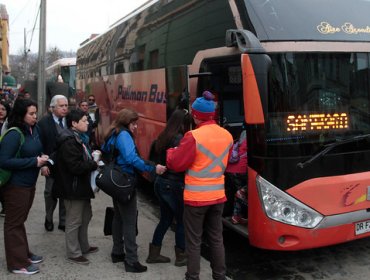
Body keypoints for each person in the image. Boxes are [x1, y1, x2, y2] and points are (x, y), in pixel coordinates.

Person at [167, 91, 233, 280]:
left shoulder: (193, 136)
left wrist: (172, 151)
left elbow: (176, 164)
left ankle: (193, 277)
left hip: (196, 199)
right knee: (216, 238)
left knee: (194, 241)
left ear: (196, 116)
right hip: (218, 196)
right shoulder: (227, 135)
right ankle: (220, 275)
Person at [101, 108, 166, 273]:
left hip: (115, 181)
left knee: (118, 217)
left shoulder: (113, 132)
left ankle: (117, 252)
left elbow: (106, 151)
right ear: (126, 123)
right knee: (129, 221)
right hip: (124, 181)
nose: (136, 127)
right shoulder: (124, 135)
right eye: (134, 124)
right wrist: (152, 168)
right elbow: (131, 158)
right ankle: (131, 260)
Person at [0, 98, 49, 275]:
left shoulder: (33, 129)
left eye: (36, 113)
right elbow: (4, 160)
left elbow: (36, 150)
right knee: (13, 224)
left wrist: (42, 163)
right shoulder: (14, 134)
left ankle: (23, 254)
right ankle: (16, 263)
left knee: (19, 221)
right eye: (31, 114)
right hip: (15, 186)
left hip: (28, 184)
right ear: (21, 115)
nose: (35, 117)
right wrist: (34, 162)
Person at [52, 109, 99, 265]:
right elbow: (75, 166)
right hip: (72, 188)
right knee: (74, 220)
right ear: (74, 123)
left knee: (86, 216)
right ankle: (73, 252)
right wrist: (93, 164)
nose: (87, 123)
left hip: (80, 187)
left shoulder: (78, 137)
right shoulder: (69, 141)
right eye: (84, 120)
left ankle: (83, 245)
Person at [146, 109, 189, 267]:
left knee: (165, 219)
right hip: (174, 184)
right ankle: (181, 255)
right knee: (182, 220)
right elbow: (179, 163)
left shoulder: (163, 136)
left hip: (161, 182)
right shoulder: (179, 138)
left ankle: (154, 254)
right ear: (183, 124)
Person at [38, 95, 68, 232]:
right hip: (50, 165)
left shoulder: (70, 120)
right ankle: (48, 218)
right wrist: (43, 165)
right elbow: (40, 145)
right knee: (50, 193)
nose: (64, 108)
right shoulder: (44, 123)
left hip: (68, 165)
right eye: (61, 106)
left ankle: (63, 221)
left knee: (65, 194)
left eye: (66, 105)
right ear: (52, 108)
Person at [225, 128, 248, 224]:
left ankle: (236, 216)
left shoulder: (242, 137)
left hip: (230, 169)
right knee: (250, 189)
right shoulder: (254, 138)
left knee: (240, 194)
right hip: (241, 170)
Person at [0, 100, 11, 217]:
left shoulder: (10, 124)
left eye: (3, 109)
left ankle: (5, 205)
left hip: (5, 157)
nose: (1, 111)